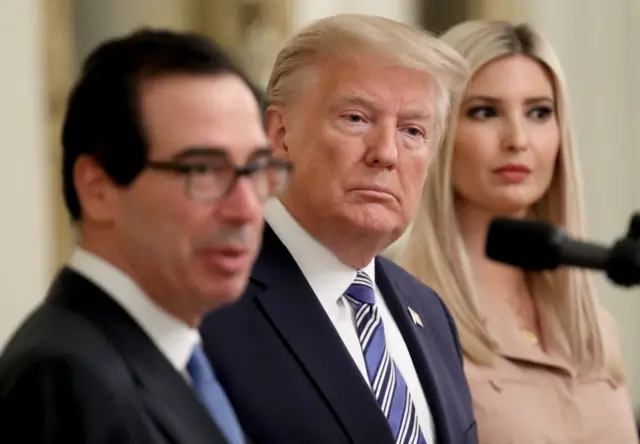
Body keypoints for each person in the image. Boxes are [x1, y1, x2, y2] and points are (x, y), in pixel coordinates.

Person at [0, 29, 292, 444]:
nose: (246, 209)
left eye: (256, 170)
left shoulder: (176, 357)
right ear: (98, 188)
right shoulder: (65, 381)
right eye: (203, 170)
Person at [199, 14, 476, 444]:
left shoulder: (431, 313)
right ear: (280, 133)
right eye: (356, 118)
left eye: (412, 131)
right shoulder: (208, 301)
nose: (386, 153)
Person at [394, 20, 638, 444]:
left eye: (539, 112)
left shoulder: (594, 326)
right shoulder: (404, 312)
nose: (518, 139)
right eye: (485, 112)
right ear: (438, 128)